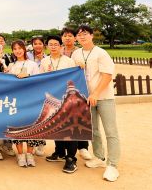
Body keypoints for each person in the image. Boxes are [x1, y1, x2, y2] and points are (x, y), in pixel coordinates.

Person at [71, 25, 120, 182]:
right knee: (94, 130)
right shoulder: (76, 53)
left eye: (85, 34)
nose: (82, 37)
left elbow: (107, 75)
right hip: (86, 98)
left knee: (110, 131)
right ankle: (99, 157)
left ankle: (112, 165)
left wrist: (96, 93)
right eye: (79, 35)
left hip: (104, 97)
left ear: (92, 36)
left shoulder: (101, 53)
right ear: (76, 38)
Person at [40, 35, 79, 173]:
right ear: (47, 46)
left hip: (67, 99)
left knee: (69, 128)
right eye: (51, 44)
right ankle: (60, 152)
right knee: (56, 127)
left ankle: (71, 159)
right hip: (52, 99)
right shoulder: (44, 61)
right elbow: (41, 79)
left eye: (56, 44)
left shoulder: (69, 61)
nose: (53, 46)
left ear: (61, 46)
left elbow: (76, 78)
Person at [7, 40, 41, 167]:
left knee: (32, 127)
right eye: (15, 48)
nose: (17, 50)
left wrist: (28, 75)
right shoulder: (11, 66)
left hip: (31, 100)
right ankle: (20, 154)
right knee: (17, 128)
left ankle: (30, 154)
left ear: (24, 49)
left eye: (19, 48)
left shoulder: (32, 64)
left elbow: (39, 80)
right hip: (16, 101)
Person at [61, 27, 93, 160]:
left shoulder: (79, 52)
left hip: (79, 87)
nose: (67, 38)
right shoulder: (59, 50)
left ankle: (83, 146)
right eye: (65, 36)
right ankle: (62, 148)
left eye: (70, 36)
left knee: (80, 115)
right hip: (63, 88)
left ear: (75, 38)